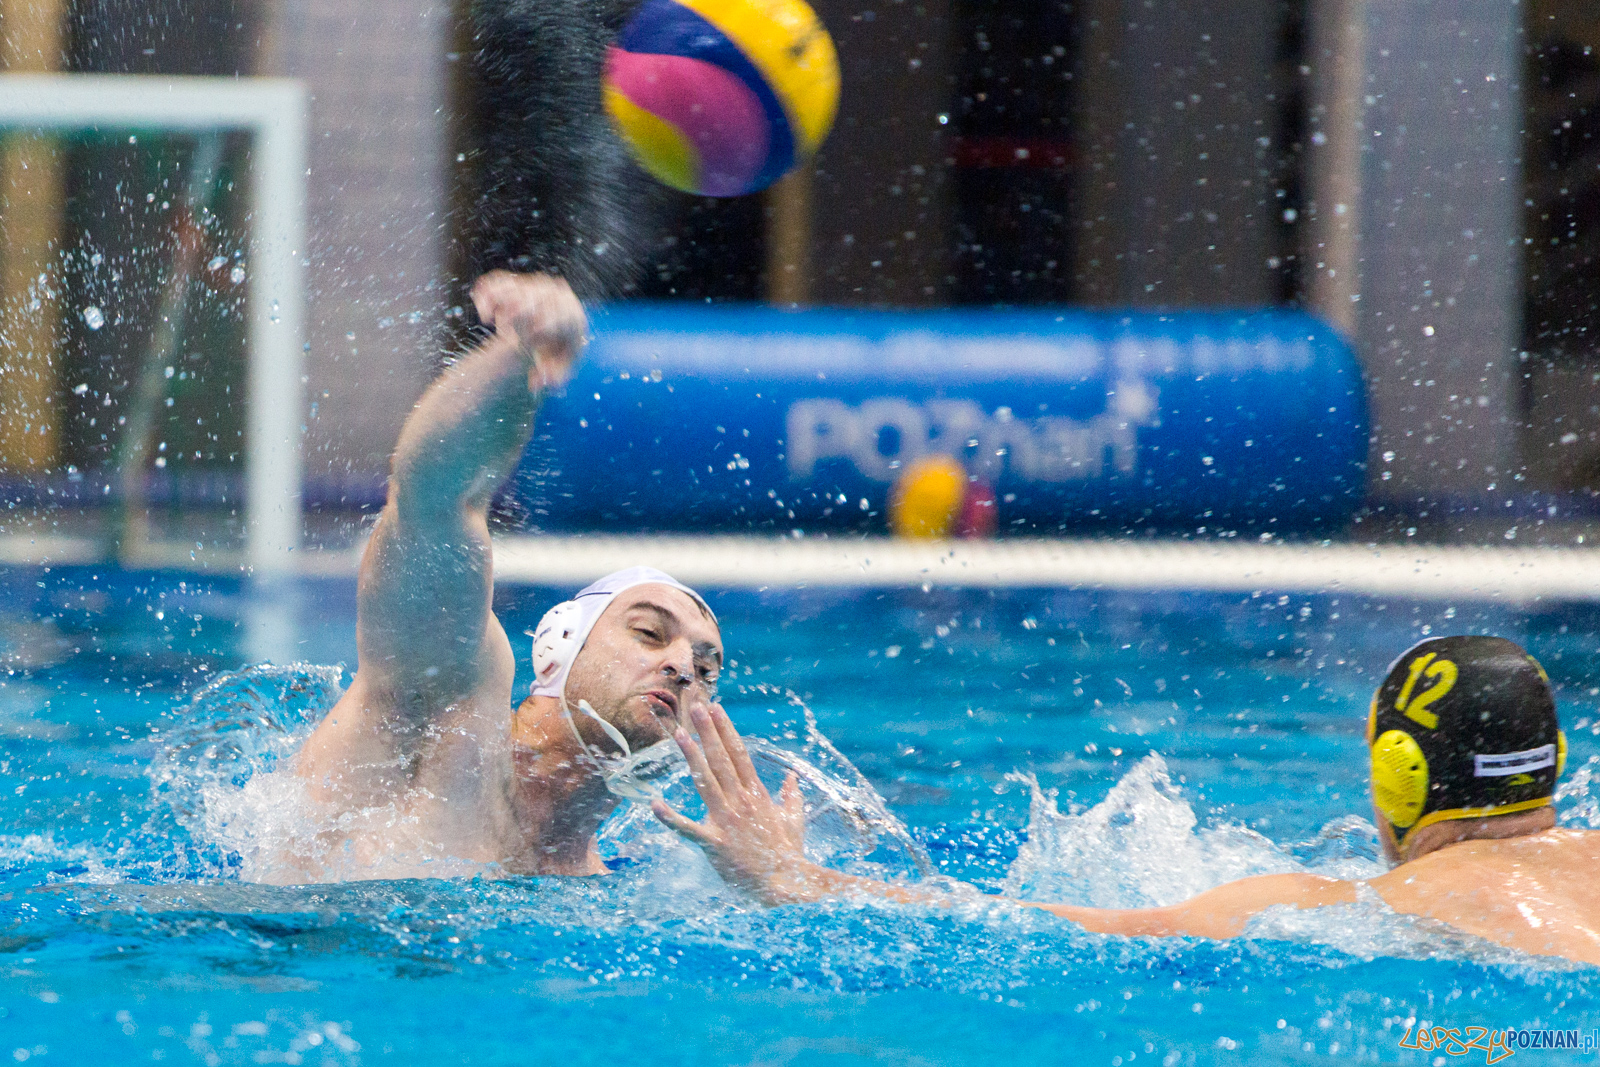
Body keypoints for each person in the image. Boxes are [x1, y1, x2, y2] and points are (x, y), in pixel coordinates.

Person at [653, 635, 1600, 965]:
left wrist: (791, 876)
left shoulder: (1364, 905)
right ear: (1551, 759)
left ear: (1398, 771)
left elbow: (1041, 924)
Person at [284, 271, 725, 882]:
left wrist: (780, 880)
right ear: (554, 650)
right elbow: (436, 498)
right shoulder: (438, 713)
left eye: (707, 671)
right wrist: (521, 359)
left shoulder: (615, 886)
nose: (684, 670)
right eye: (649, 633)